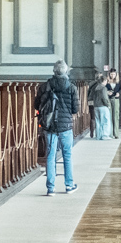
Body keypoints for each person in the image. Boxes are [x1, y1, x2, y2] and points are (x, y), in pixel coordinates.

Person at [36, 60, 79, 195]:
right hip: (65, 125)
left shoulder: (45, 86)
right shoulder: (71, 87)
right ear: (65, 71)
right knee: (67, 155)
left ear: (54, 71)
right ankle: (69, 185)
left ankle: (51, 188)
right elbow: (75, 109)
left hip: (50, 125)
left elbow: (36, 105)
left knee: (51, 155)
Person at [88, 72, 113, 140]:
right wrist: (108, 105)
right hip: (103, 106)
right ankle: (105, 135)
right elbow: (104, 98)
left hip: (96, 106)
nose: (106, 83)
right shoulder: (103, 88)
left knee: (98, 121)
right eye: (106, 81)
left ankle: (98, 135)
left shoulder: (95, 88)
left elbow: (91, 96)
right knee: (105, 121)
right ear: (104, 80)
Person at [106, 69, 121, 138]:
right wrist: (107, 92)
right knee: (109, 115)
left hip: (116, 99)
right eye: (111, 74)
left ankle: (116, 133)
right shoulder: (107, 81)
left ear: (116, 74)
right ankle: (109, 133)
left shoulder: (118, 82)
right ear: (109, 74)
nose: (112, 76)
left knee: (116, 115)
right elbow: (104, 88)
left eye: (114, 74)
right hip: (109, 99)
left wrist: (119, 93)